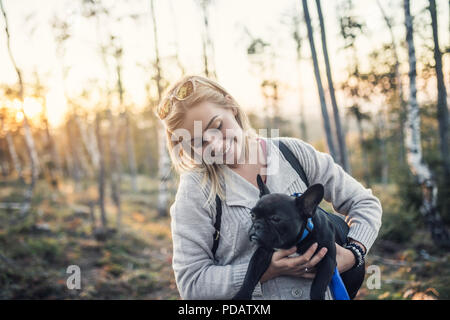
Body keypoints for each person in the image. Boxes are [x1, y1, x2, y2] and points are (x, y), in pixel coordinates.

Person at [154, 75, 382, 300]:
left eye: (217, 126)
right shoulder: (196, 189)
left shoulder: (293, 154)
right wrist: (266, 270)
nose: (215, 144)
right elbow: (192, 284)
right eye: (198, 142)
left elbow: (364, 203)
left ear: (231, 106)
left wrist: (354, 253)